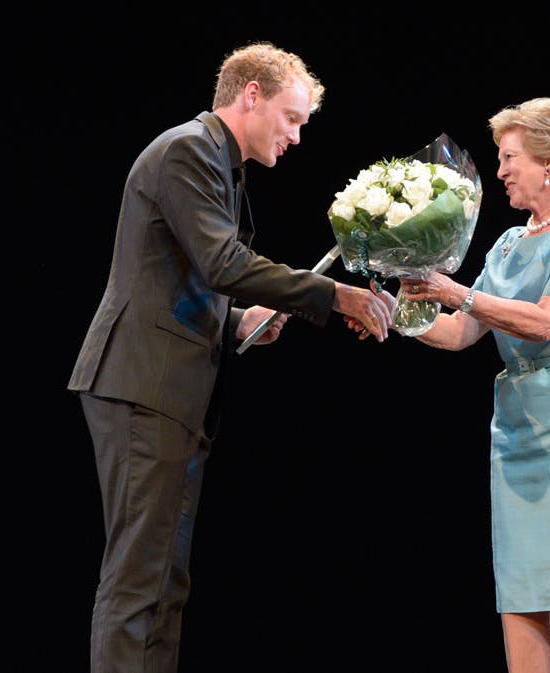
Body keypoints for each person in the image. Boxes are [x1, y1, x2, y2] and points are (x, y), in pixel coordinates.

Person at [67, 42, 396, 673]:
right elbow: (223, 262)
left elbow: (181, 277)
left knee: (166, 579)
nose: (296, 136)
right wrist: (333, 295)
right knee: (139, 578)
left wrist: (237, 321)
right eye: (292, 118)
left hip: (171, 386)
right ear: (251, 96)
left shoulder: (217, 162)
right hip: (143, 383)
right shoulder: (187, 150)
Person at [370, 97, 550, 673]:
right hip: (521, 419)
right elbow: (459, 335)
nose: (499, 171)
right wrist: (396, 305)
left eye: (509, 157)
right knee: (522, 589)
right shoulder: (506, 243)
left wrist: (455, 293)